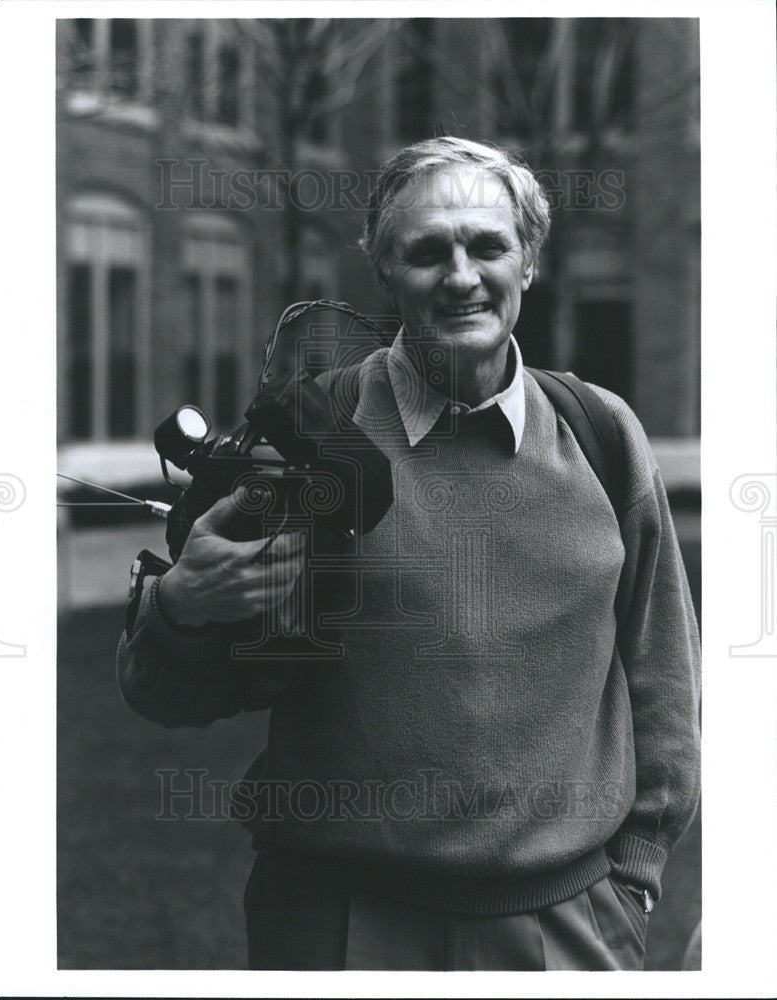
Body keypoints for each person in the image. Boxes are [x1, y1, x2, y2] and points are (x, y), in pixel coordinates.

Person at [117, 137, 701, 971]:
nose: (460, 275)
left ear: (527, 263)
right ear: (384, 271)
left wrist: (634, 881)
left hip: (568, 926)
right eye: (426, 251)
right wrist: (182, 608)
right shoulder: (301, 444)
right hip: (337, 925)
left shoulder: (602, 434)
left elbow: (664, 680)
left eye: (487, 245)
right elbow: (168, 694)